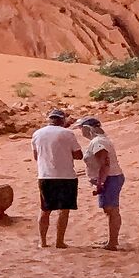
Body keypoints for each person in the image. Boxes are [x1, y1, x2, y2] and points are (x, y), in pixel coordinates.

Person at [32, 106, 82, 249]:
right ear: (62, 120)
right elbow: (78, 155)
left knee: (45, 209)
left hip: (45, 175)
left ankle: (42, 241)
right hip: (66, 176)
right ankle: (59, 241)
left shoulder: (37, 134)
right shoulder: (68, 134)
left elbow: (36, 156)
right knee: (64, 210)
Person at [79, 114, 124, 249]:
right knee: (110, 209)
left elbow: (104, 164)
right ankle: (112, 240)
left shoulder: (98, 142)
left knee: (111, 209)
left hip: (110, 178)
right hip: (111, 177)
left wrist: (100, 182)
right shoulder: (101, 140)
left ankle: (113, 242)